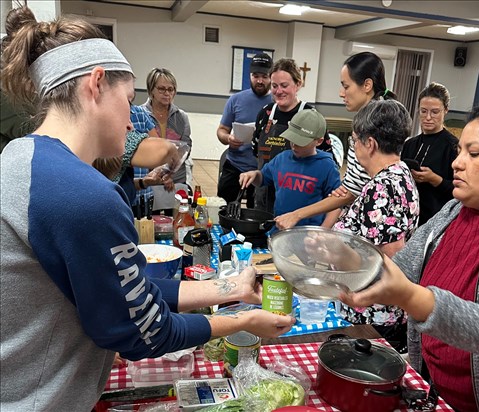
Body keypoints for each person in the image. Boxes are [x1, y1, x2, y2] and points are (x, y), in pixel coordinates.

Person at [0, 7, 294, 410]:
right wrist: (243, 320)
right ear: (96, 84)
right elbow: (146, 331)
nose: (130, 122)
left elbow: (128, 294)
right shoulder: (83, 194)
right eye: (127, 100)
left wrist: (230, 288)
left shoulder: (19, 155)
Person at [336, 101, 479, 411]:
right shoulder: (453, 212)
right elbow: (403, 269)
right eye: (460, 151)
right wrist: (349, 264)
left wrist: (411, 297)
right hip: (435, 389)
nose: (457, 163)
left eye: (473, 154)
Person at [275, 52, 397, 229]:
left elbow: (353, 191)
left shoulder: (375, 123)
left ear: (367, 85)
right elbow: (352, 187)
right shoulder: (365, 118)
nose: (341, 93)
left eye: (346, 86)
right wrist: (346, 188)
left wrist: (297, 215)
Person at [332, 100, 419, 350]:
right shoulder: (400, 174)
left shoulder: (382, 186)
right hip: (379, 310)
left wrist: (331, 248)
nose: (354, 148)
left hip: (372, 314)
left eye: (354, 141)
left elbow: (389, 255)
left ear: (369, 144)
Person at [252, 58, 333, 215]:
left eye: (284, 85)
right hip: (264, 196)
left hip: (301, 200)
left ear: (298, 84)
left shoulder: (311, 117)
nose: (278, 91)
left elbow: (327, 159)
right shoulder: (265, 114)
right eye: (274, 86)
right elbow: (255, 150)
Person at [240, 109, 340, 226]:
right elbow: (262, 178)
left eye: (300, 142)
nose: (294, 145)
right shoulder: (282, 158)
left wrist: (322, 232)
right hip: (280, 228)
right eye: (292, 139)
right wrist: (253, 175)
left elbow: (336, 205)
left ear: (318, 141)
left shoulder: (327, 166)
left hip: (308, 233)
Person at [217, 53, 273, 209]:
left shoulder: (277, 102)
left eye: (264, 76)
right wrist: (228, 138)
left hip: (264, 169)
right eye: (256, 76)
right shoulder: (236, 100)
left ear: (271, 77)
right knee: (223, 207)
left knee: (259, 214)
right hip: (236, 165)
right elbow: (221, 130)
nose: (260, 81)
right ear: (250, 75)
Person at [401, 82, 459, 225]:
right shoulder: (409, 144)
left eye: (434, 112)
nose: (428, 117)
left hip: (436, 219)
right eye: (423, 111)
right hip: (407, 216)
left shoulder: (453, 147)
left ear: (445, 110)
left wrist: (434, 179)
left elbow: (460, 191)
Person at [142, 67, 192, 185]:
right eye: (161, 89)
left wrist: (169, 171)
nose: (167, 93)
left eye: (171, 89)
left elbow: (186, 146)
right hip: (147, 179)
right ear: (151, 90)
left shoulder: (181, 117)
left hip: (175, 179)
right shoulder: (140, 115)